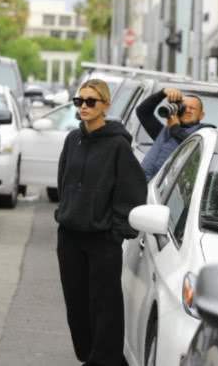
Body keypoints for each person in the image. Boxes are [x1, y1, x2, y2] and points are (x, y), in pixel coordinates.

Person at [56, 79, 147, 366]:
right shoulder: (73, 140)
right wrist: (65, 212)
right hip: (70, 236)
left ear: (105, 105)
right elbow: (63, 181)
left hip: (101, 239)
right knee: (76, 304)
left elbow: (132, 190)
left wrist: (117, 232)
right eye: (79, 101)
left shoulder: (118, 145)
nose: (83, 106)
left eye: (91, 101)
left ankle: (105, 360)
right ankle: (88, 356)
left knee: (105, 306)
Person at [137, 88, 213, 180]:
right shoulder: (165, 132)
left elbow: (195, 145)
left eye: (192, 108)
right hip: (142, 184)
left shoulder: (205, 131)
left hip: (166, 190)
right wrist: (163, 93)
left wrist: (175, 128)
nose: (187, 110)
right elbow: (142, 112)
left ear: (201, 115)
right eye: (184, 107)